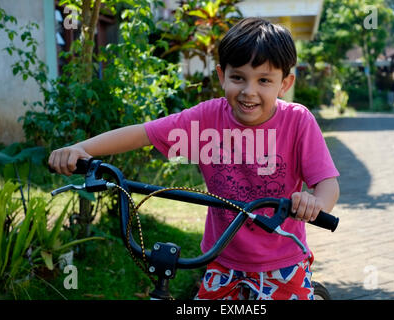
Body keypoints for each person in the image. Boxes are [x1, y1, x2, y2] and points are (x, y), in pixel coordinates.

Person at [49, 17, 340, 300]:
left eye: (264, 80)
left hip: (283, 261)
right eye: (238, 77)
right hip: (222, 259)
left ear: (284, 83)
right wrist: (81, 149)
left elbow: (327, 183)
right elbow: (144, 133)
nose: (249, 91)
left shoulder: (298, 121)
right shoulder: (207, 118)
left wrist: (315, 203)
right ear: (221, 75)